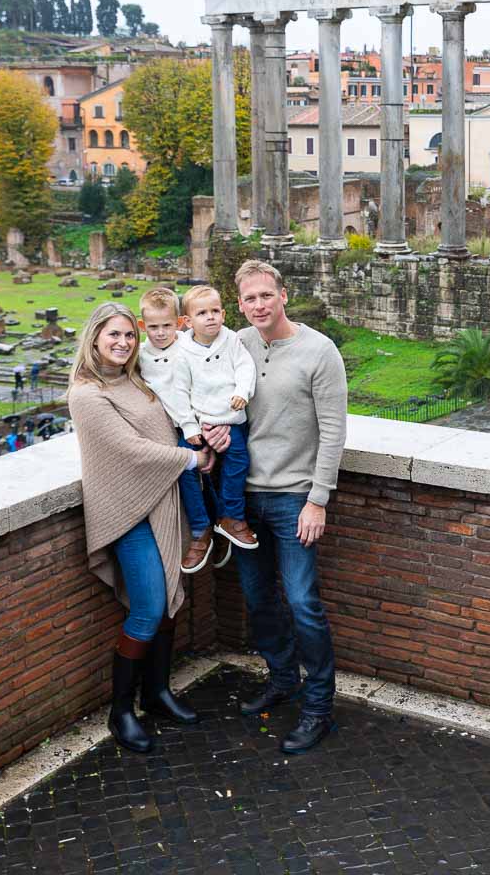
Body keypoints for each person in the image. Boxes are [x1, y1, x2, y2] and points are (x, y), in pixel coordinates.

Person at [202, 259, 347, 756]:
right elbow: (211, 396)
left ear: (283, 295)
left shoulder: (319, 350)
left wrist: (318, 500)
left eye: (266, 295)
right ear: (238, 303)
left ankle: (318, 707)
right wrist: (211, 429)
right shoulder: (233, 344)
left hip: (293, 498)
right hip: (241, 500)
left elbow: (333, 430)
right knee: (258, 598)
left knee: (304, 603)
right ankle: (282, 678)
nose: (259, 305)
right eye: (249, 299)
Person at [68, 302, 211, 754]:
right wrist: (191, 459)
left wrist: (207, 432)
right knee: (149, 606)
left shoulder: (136, 379)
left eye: (130, 335)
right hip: (125, 512)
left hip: (162, 503)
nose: (123, 343)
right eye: (114, 335)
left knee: (170, 599)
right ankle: (121, 711)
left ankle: (158, 693)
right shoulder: (87, 394)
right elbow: (128, 449)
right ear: (94, 338)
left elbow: (174, 418)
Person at [170, 285, 258, 561]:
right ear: (187, 321)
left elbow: (246, 367)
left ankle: (231, 516)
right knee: (185, 466)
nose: (211, 317)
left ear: (223, 313)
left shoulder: (231, 340)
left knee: (238, 461)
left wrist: (242, 392)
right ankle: (201, 526)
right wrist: (189, 427)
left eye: (215, 311)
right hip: (198, 422)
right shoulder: (182, 350)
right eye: (202, 313)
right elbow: (179, 391)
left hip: (229, 418)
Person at [139, 286, 216, 575]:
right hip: (166, 428)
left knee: (198, 471)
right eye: (153, 327)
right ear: (142, 326)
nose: (160, 333)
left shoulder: (188, 344)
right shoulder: (141, 355)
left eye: (167, 326)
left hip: (198, 423)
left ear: (180, 323)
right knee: (187, 472)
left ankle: (205, 526)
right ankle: (209, 525)